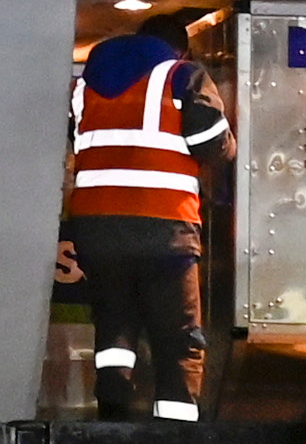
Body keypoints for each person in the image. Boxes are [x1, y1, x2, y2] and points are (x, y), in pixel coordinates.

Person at [58, 25, 229, 419]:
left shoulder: (86, 86)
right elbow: (213, 145)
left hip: (97, 230)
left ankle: (113, 418)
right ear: (179, 50)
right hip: (164, 227)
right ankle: (174, 432)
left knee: (114, 327)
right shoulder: (183, 76)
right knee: (178, 337)